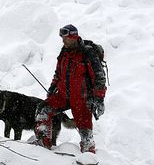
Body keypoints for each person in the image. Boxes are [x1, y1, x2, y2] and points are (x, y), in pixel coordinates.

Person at [34, 24, 106, 153]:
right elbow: (58, 73)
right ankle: (43, 147)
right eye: (62, 37)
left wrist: (99, 100)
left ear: (73, 36)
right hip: (63, 95)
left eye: (65, 37)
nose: (62, 40)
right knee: (43, 110)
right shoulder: (64, 51)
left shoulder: (87, 53)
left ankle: (88, 159)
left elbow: (99, 79)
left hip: (82, 99)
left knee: (85, 132)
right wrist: (52, 88)